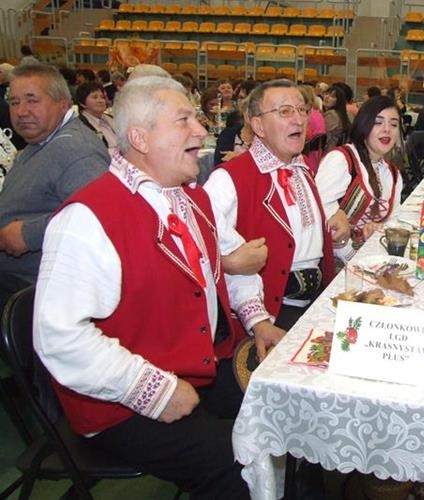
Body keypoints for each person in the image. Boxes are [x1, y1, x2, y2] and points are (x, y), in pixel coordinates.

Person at [34, 76, 283, 498]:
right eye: (184, 120)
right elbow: (58, 336)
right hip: (118, 403)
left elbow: (234, 262)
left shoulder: (192, 199)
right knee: (235, 463)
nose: (200, 130)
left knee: (285, 404)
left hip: (196, 366)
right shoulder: (86, 218)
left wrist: (258, 320)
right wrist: (155, 390)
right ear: (140, 138)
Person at [204, 79, 349, 330]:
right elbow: (202, 245)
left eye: (302, 110)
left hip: (314, 305)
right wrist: (256, 318)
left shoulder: (302, 170)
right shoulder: (229, 179)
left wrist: (336, 231)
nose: (299, 120)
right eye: (285, 111)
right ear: (258, 125)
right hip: (270, 314)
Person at [0, 63, 108, 308]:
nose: (21, 111)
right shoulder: (42, 139)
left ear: (63, 104)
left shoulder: (75, 149)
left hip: (30, 288)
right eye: (14, 102)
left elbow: (99, 215)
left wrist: (28, 234)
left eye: (32, 100)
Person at [316, 95, 403, 262]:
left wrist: (377, 230)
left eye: (393, 124)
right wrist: (353, 256)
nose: (387, 129)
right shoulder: (342, 160)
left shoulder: (393, 174)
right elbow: (320, 212)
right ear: (364, 124)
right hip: (333, 261)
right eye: (378, 122)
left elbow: (393, 221)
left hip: (369, 257)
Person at [76, 81, 117, 154]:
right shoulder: (81, 126)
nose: (100, 101)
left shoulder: (111, 118)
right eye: (95, 97)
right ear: (82, 103)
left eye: (102, 97)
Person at [213, 95, 252, 166]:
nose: (252, 114)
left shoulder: (268, 138)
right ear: (243, 112)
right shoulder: (227, 134)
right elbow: (219, 164)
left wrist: (242, 158)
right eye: (249, 110)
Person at [322, 84, 351, 154]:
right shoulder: (340, 113)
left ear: (338, 101)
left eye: (332, 96)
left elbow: (320, 135)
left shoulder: (332, 115)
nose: (327, 97)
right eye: (326, 94)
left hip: (328, 153)